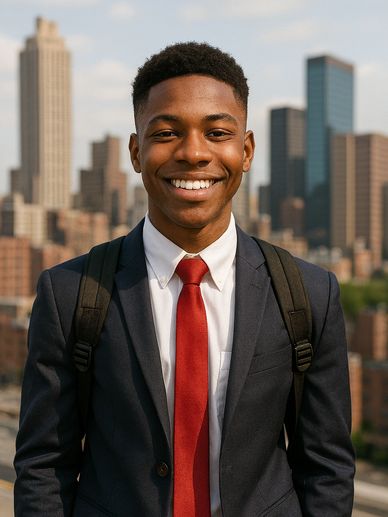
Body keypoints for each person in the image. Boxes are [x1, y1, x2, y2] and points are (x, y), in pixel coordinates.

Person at [14, 42, 355, 516]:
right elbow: (43, 467)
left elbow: (327, 467)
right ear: (136, 152)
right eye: (167, 132)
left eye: (217, 132)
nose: (194, 153)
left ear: (247, 150)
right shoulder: (69, 294)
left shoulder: (308, 295)